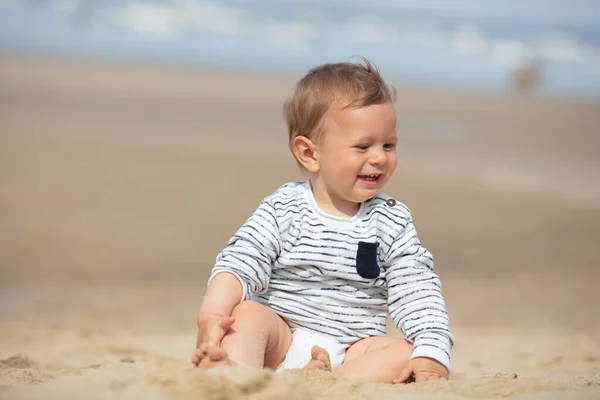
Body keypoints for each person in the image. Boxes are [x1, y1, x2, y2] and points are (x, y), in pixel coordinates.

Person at [191, 56, 454, 383]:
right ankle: (231, 372)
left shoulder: (392, 221)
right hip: (282, 335)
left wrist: (432, 352)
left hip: (353, 347)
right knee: (245, 317)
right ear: (310, 154)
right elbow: (241, 260)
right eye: (362, 146)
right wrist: (212, 317)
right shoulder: (285, 207)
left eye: (389, 145)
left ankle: (329, 381)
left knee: (405, 353)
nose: (379, 158)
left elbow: (417, 288)